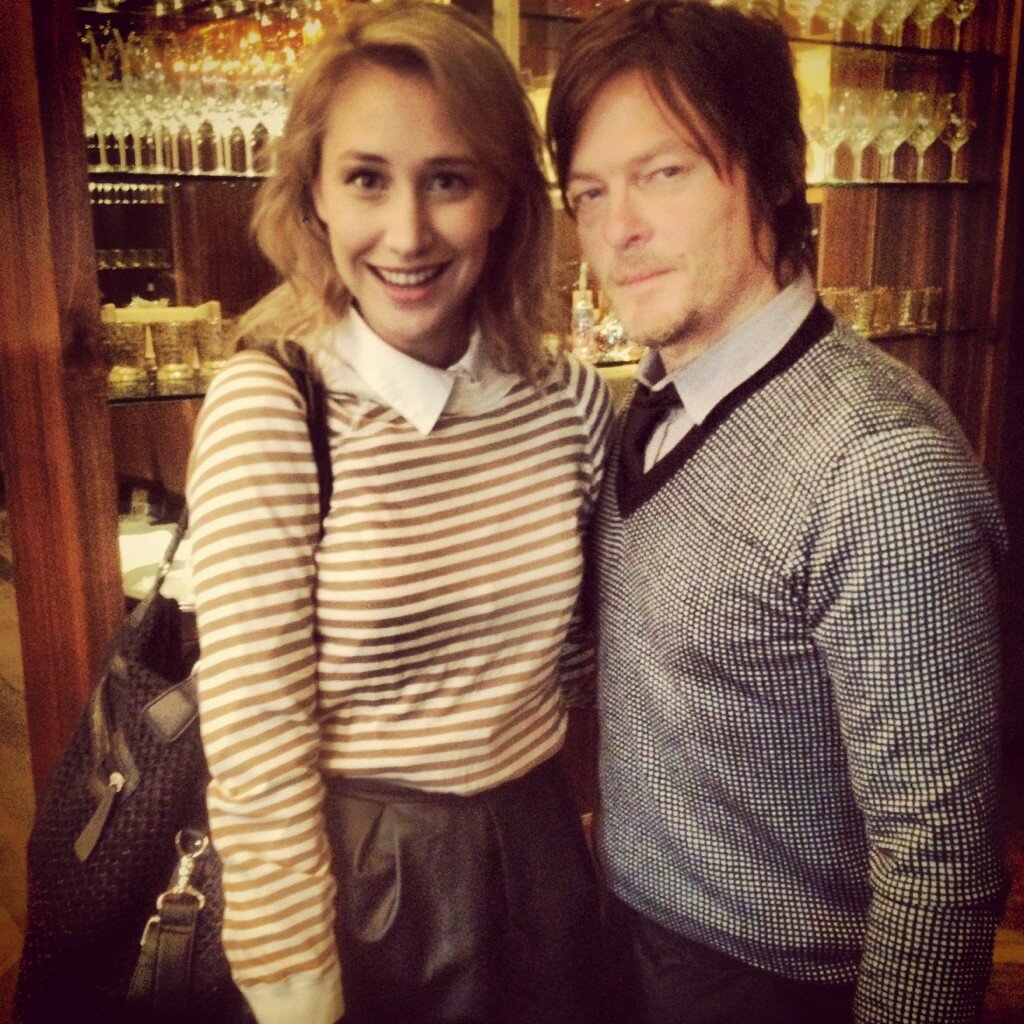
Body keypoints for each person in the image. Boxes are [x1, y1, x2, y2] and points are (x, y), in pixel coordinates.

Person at [546, 2, 1007, 1022]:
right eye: (589, 192)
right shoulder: (653, 401)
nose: (617, 229)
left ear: (775, 170)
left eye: (664, 172)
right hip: (625, 932)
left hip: (774, 985)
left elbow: (940, 869)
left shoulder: (876, 469)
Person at [186, 4, 612, 1023]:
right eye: (367, 179)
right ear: (315, 194)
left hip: (543, 852)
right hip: (360, 880)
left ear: (504, 197)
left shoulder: (567, 399)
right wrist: (296, 995)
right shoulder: (272, 407)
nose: (408, 233)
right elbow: (256, 744)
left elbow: (577, 661)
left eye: (449, 179)